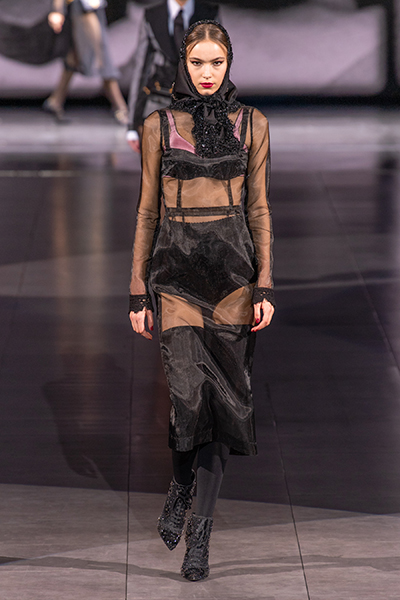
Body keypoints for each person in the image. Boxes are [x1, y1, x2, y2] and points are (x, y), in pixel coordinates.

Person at [129, 20, 274, 581]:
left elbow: (259, 208)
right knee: (188, 399)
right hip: (176, 276)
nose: (207, 73)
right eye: (197, 63)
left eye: (217, 62)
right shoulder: (158, 126)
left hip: (234, 280)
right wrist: (137, 290)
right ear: (183, 65)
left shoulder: (253, 123)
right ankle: (180, 484)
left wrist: (265, 284)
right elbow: (147, 210)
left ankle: (201, 536)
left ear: (229, 63)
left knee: (224, 408)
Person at [126, 0, 219, 152]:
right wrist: (132, 124)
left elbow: (218, 68)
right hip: (158, 104)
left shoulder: (209, 13)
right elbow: (141, 70)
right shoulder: (152, 15)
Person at [44, 0, 128, 123]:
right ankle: (120, 107)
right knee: (101, 53)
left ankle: (56, 100)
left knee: (75, 55)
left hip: (93, 6)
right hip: (83, 7)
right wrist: (57, 10)